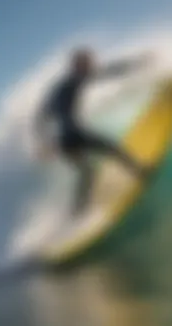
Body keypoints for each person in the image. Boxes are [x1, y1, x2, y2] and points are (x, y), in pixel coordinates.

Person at [37, 47, 153, 216]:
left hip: (63, 140)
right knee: (112, 148)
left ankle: (77, 211)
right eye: (87, 63)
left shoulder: (62, 85)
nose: (91, 66)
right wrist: (138, 63)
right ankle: (140, 172)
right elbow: (108, 72)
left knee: (87, 171)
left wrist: (45, 143)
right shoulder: (75, 79)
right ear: (79, 65)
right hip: (74, 134)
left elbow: (44, 114)